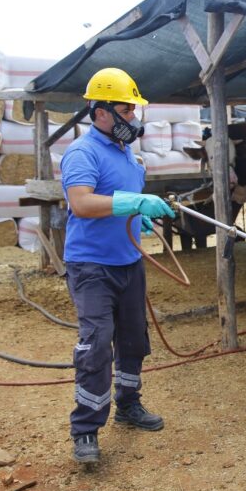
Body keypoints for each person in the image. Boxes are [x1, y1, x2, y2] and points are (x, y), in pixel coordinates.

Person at [60, 67, 176, 464]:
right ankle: (86, 430)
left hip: (128, 261)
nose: (133, 118)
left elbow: (121, 203)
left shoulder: (128, 155)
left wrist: (136, 215)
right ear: (102, 111)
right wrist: (132, 203)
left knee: (132, 339)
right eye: (127, 110)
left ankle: (129, 405)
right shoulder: (82, 152)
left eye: (134, 110)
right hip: (91, 266)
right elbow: (81, 203)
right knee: (95, 345)